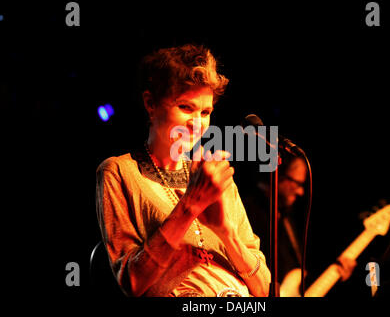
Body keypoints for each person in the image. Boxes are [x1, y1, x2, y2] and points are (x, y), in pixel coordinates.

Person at [95, 44, 271, 297]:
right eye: (186, 107)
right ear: (151, 103)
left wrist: (226, 233)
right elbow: (132, 282)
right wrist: (189, 206)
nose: (198, 123)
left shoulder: (216, 177)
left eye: (206, 111)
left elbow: (264, 288)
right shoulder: (120, 172)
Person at [243, 154, 356, 297]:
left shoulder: (287, 216)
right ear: (278, 174)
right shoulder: (248, 210)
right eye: (297, 183)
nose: (301, 191)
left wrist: (335, 272)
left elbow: (294, 276)